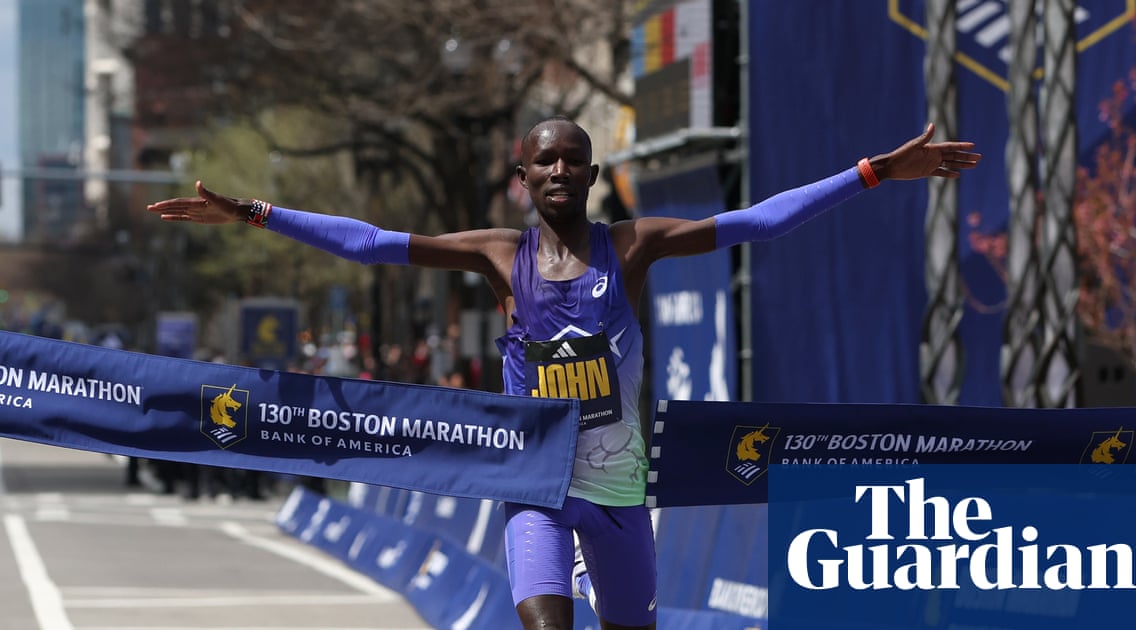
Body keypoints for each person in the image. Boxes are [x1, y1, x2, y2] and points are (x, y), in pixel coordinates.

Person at [147, 117, 980, 630]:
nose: (555, 172)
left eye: (570, 161)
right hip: (533, 487)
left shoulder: (634, 245)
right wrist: (252, 211)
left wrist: (871, 173)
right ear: (524, 177)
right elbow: (367, 241)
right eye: (541, 160)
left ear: (588, 173)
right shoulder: (499, 257)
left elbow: (759, 223)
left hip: (620, 493)